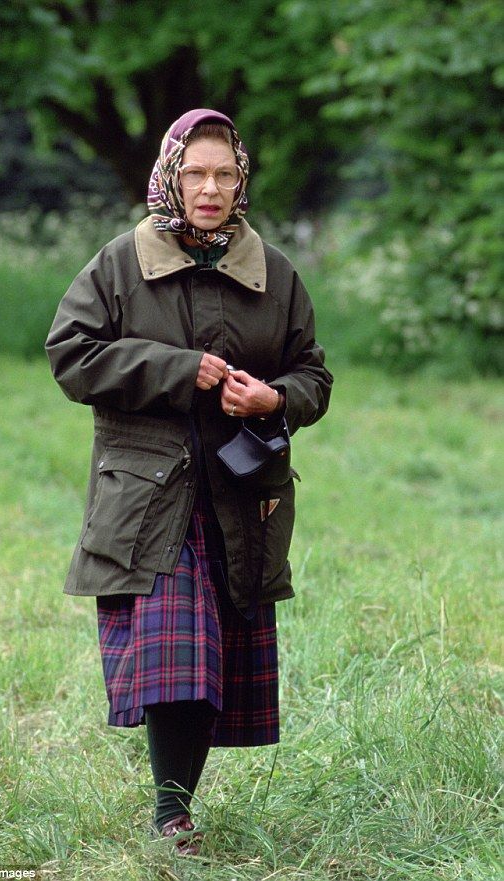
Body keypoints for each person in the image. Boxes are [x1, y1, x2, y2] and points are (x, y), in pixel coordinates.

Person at [45, 108, 333, 856]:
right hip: (150, 495)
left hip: (242, 494)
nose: (211, 188)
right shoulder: (119, 263)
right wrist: (175, 369)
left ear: (242, 181)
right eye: (196, 172)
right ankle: (171, 818)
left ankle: (177, 809)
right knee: (182, 656)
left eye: (225, 174)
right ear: (171, 175)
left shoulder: (274, 272)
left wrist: (275, 399)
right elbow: (71, 355)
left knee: (214, 660)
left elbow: (314, 374)